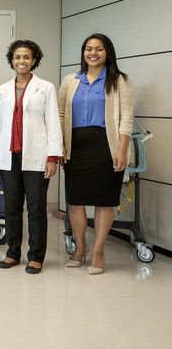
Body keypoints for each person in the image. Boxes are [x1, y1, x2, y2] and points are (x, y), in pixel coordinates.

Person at [0, 40, 62, 275]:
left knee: (37, 208)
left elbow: (53, 123)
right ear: (12, 60)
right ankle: (12, 253)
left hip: (36, 156)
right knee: (12, 208)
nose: (21, 61)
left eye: (26, 57)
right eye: (17, 57)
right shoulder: (3, 90)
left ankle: (36, 256)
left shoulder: (45, 88)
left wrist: (52, 157)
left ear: (34, 60)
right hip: (9, 156)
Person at [58, 33, 134, 275]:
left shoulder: (119, 80)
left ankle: (98, 251)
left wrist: (122, 149)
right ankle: (80, 248)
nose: (93, 53)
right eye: (88, 48)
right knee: (75, 200)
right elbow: (60, 115)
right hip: (75, 146)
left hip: (106, 145)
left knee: (104, 200)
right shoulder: (71, 80)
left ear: (107, 52)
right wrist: (60, 145)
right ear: (83, 52)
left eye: (99, 49)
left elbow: (125, 118)